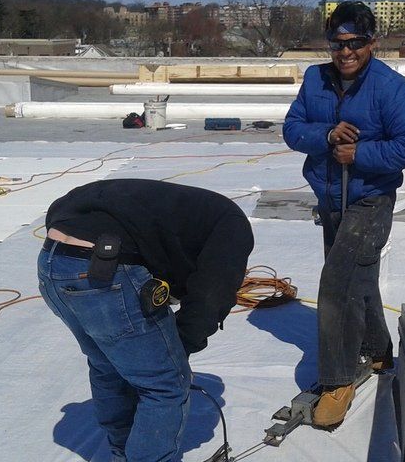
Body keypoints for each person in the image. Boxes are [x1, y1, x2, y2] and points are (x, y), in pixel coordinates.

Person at [282, 1, 405, 428]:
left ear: (372, 43)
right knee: (358, 278)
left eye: (356, 43)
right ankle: (380, 350)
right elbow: (293, 130)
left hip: (370, 199)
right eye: (338, 44)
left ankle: (337, 380)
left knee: (335, 285)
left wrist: (360, 153)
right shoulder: (316, 79)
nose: (346, 53)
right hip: (330, 198)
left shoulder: (389, 88)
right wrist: (326, 135)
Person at [37, 179, 254, 462]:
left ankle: (122, 454)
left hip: (52, 263)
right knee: (165, 384)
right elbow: (211, 296)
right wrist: (180, 347)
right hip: (104, 267)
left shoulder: (186, 211)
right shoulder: (233, 227)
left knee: (107, 366)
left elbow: (66, 204)